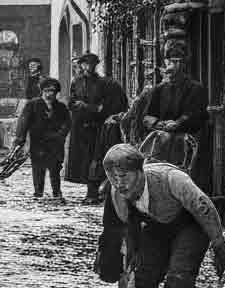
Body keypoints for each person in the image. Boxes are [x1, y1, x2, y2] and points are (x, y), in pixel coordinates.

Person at [99, 143, 225, 288]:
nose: (119, 184)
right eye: (112, 178)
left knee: (178, 285)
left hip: (190, 225)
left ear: (139, 172)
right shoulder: (117, 194)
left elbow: (204, 209)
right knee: (137, 285)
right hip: (154, 227)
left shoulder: (172, 179)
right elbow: (122, 231)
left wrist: (220, 247)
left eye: (123, 176)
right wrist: (126, 269)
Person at [127, 43, 210, 188]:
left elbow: (197, 114)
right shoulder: (159, 90)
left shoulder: (195, 89)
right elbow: (147, 117)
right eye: (170, 62)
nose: (172, 67)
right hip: (161, 136)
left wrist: (178, 123)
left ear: (183, 65)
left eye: (177, 62)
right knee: (151, 159)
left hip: (186, 137)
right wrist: (158, 124)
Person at [66, 52, 127, 204]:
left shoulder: (104, 83)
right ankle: (92, 192)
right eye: (85, 64)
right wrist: (76, 106)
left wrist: (88, 107)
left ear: (95, 65)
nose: (88, 67)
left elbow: (105, 107)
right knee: (84, 160)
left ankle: (94, 192)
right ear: (81, 65)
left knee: (96, 159)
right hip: (81, 127)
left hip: (97, 127)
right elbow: (71, 102)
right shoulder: (76, 82)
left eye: (91, 64)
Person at [13, 77, 71, 200]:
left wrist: (60, 135)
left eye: (52, 91)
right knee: (38, 168)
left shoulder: (61, 107)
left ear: (56, 93)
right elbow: (23, 123)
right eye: (46, 91)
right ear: (42, 91)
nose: (49, 94)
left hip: (55, 144)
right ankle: (38, 192)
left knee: (55, 168)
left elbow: (67, 123)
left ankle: (57, 192)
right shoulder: (32, 105)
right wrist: (20, 141)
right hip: (38, 143)